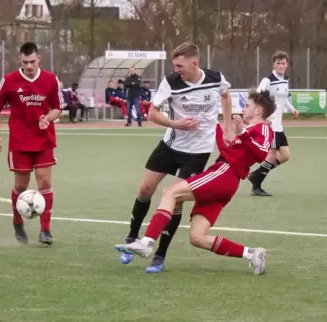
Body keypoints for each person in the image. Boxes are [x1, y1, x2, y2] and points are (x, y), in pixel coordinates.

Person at [114, 89, 276, 275]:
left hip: (225, 173)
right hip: (226, 180)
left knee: (171, 192)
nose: (243, 109)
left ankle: (147, 241)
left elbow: (262, 153)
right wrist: (212, 124)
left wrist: (243, 134)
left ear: (258, 111)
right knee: (197, 237)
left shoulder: (263, 128)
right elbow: (226, 147)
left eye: (247, 106)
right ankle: (252, 254)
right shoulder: (249, 130)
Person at [116, 42, 234, 273]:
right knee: (144, 190)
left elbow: (226, 97)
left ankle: (160, 255)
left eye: (180, 65)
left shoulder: (216, 78)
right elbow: (151, 113)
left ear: (194, 63)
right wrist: (175, 123)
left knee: (176, 199)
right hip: (171, 144)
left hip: (198, 152)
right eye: (175, 65)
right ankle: (131, 239)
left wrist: (228, 128)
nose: (177, 69)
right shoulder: (170, 82)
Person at [0, 42, 63, 245]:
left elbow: (57, 107)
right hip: (19, 142)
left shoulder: (50, 79)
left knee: (45, 182)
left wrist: (47, 117)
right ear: (19, 60)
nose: (29, 65)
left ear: (39, 59)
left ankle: (45, 230)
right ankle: (17, 221)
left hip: (44, 140)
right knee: (21, 186)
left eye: (32, 61)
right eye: (25, 62)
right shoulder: (9, 81)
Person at [248, 50, 299, 197]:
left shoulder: (284, 80)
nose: (281, 66)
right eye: (278, 63)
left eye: (283, 63)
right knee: (272, 155)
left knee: (285, 156)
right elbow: (256, 98)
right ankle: (256, 185)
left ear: (287, 65)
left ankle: (256, 175)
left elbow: (284, 99)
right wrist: (262, 117)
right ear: (274, 64)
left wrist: (292, 109)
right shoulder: (268, 80)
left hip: (279, 125)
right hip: (271, 125)